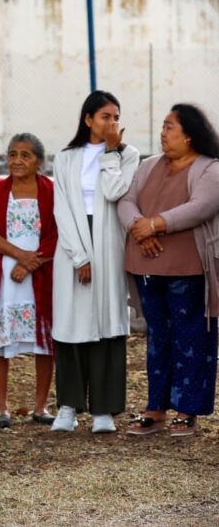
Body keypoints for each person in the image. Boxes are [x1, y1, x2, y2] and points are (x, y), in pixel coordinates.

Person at [119, 104, 219, 437]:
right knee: (158, 339)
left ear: (190, 135)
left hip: (189, 269)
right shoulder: (148, 166)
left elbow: (201, 207)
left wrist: (155, 225)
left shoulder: (209, 169)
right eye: (163, 126)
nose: (163, 133)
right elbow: (126, 199)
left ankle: (186, 410)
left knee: (192, 338)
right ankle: (155, 409)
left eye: (169, 127)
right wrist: (139, 228)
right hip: (147, 266)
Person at [50, 91, 140, 433]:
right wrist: (79, 256)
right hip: (73, 244)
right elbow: (62, 209)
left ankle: (104, 410)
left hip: (109, 245)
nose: (112, 123)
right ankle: (68, 407)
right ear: (88, 119)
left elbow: (115, 192)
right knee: (72, 325)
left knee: (106, 323)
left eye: (116, 117)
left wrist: (111, 152)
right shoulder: (66, 157)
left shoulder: (128, 155)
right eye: (105, 116)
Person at [0, 133, 57, 428]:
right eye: (12, 154)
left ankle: (41, 405)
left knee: (45, 340)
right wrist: (21, 256)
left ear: (39, 161)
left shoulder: (51, 191)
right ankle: (1, 407)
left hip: (42, 275)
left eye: (25, 155)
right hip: (3, 278)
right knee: (1, 340)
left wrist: (31, 264)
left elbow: (57, 234)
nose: (17, 160)